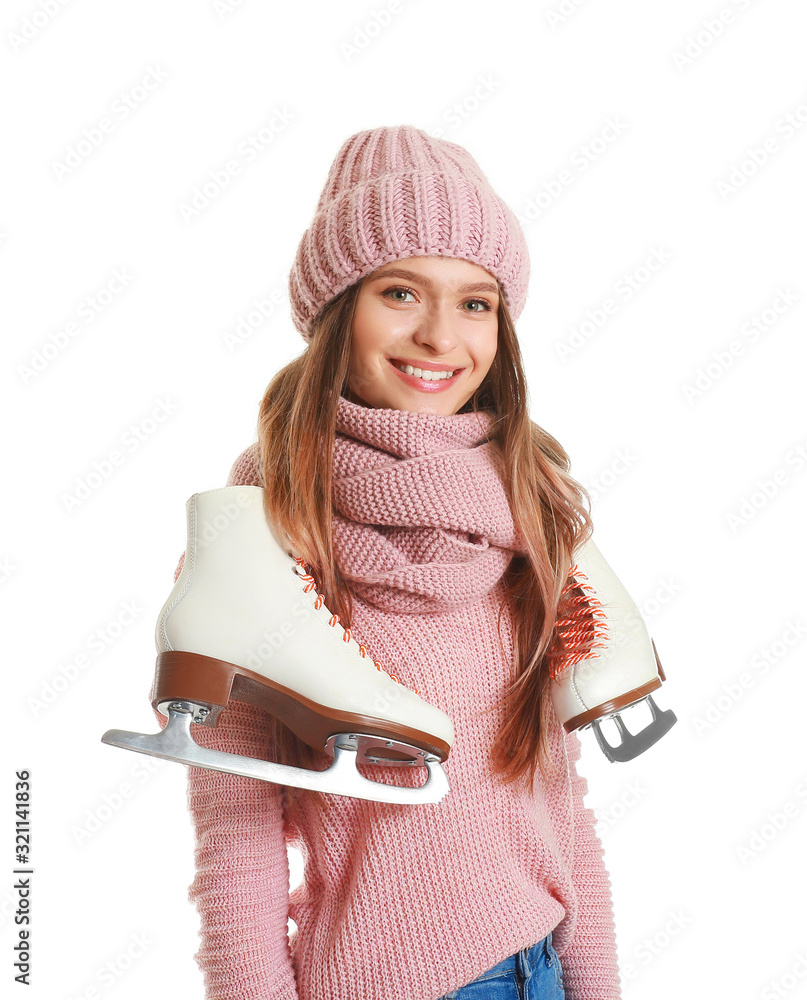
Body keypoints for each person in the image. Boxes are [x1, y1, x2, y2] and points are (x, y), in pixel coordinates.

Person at [166, 125, 621, 1000]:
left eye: (476, 303)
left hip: (544, 966)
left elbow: (559, 796)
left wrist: (596, 984)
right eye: (401, 293)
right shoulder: (263, 524)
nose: (440, 337)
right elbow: (236, 825)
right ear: (339, 308)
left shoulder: (530, 506)